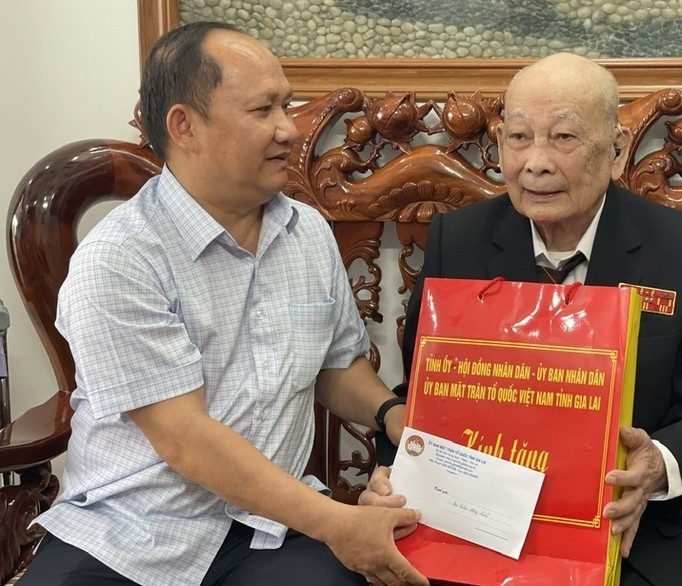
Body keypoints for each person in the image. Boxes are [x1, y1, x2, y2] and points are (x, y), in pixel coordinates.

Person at [19, 21, 427, 586]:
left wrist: (394, 416)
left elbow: (336, 364)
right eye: (263, 111)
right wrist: (339, 523)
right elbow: (187, 439)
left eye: (288, 105)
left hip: (274, 529)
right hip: (133, 534)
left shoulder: (306, 231)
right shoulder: (120, 259)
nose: (290, 129)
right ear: (185, 126)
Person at [361, 53, 682, 585]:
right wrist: (395, 477)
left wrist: (656, 465)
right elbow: (426, 393)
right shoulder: (458, 242)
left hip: (633, 533)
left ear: (616, 149)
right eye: (520, 138)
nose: (536, 163)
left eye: (565, 138)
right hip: (473, 525)